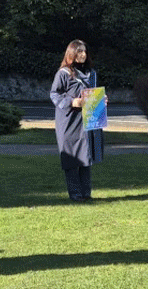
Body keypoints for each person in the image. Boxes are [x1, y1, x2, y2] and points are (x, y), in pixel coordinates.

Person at [49, 39, 104, 202]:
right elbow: (54, 94)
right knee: (72, 159)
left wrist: (101, 100)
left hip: (87, 120)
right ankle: (75, 194)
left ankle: (86, 194)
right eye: (79, 51)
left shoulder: (91, 73)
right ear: (72, 53)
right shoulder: (64, 73)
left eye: (85, 51)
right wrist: (72, 102)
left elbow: (93, 94)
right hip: (69, 122)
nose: (83, 54)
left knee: (86, 158)